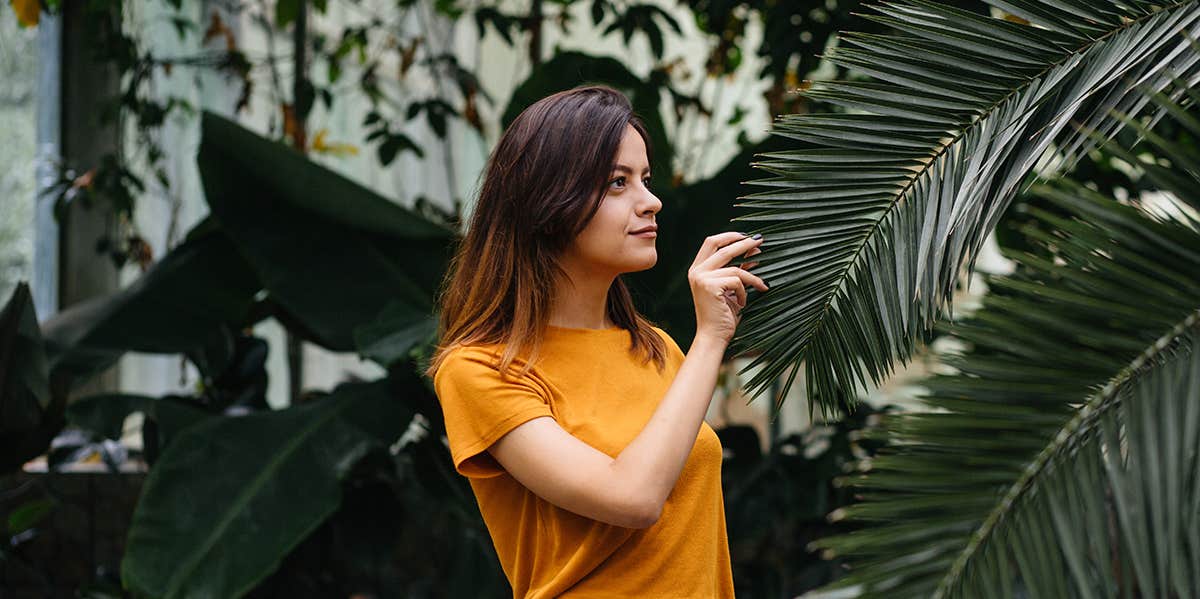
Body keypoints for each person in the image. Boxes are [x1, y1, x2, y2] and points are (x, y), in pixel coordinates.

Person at [424, 84, 767, 598]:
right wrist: (713, 337)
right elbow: (633, 497)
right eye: (616, 183)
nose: (650, 201)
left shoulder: (656, 350)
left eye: (645, 179)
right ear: (547, 203)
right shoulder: (481, 370)